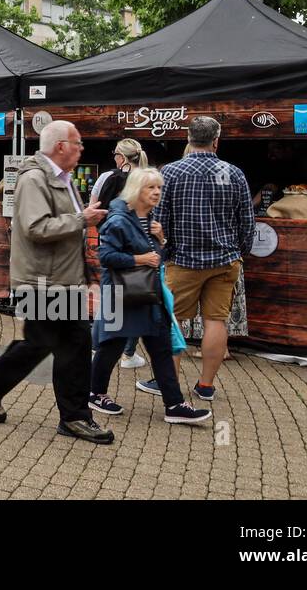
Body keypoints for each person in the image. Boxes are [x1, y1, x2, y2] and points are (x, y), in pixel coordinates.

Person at [0, 120, 113, 444]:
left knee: (74, 344)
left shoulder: (62, 178)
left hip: (63, 279)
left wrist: (85, 273)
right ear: (60, 146)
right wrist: (82, 218)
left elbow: (67, 231)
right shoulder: (34, 178)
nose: (82, 149)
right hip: (41, 281)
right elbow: (37, 228)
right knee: (42, 342)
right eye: (78, 143)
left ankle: (74, 417)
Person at [89, 167, 212, 426]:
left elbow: (159, 258)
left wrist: (161, 239)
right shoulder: (118, 220)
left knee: (161, 348)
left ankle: (175, 404)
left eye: (158, 187)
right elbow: (106, 257)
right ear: (136, 190)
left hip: (148, 294)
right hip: (122, 294)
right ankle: (95, 393)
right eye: (150, 187)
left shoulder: (151, 221)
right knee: (110, 347)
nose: (156, 192)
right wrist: (139, 258)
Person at [145, 115, 253, 403]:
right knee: (216, 321)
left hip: (183, 260)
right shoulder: (235, 173)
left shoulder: (170, 173)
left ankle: (169, 384)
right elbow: (247, 222)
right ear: (216, 140)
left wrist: (164, 253)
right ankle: (205, 386)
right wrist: (240, 251)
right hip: (225, 260)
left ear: (188, 139)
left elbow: (158, 220)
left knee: (173, 322)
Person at [90, 138, 149, 369]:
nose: (113, 157)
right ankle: (128, 354)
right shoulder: (148, 178)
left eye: (115, 153)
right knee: (136, 299)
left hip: (110, 243)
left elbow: (94, 209)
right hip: (139, 246)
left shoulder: (107, 177)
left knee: (109, 298)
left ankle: (97, 348)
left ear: (121, 157)